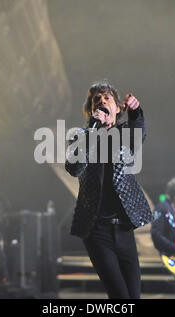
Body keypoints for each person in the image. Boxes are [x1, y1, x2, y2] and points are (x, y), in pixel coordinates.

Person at [65, 81, 153, 299]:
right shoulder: (81, 136)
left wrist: (136, 112)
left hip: (123, 228)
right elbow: (74, 167)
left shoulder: (124, 134)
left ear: (117, 108)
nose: (102, 102)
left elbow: (139, 134)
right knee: (120, 297)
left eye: (107, 99)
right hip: (97, 230)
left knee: (133, 296)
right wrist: (93, 129)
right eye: (97, 100)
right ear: (91, 110)